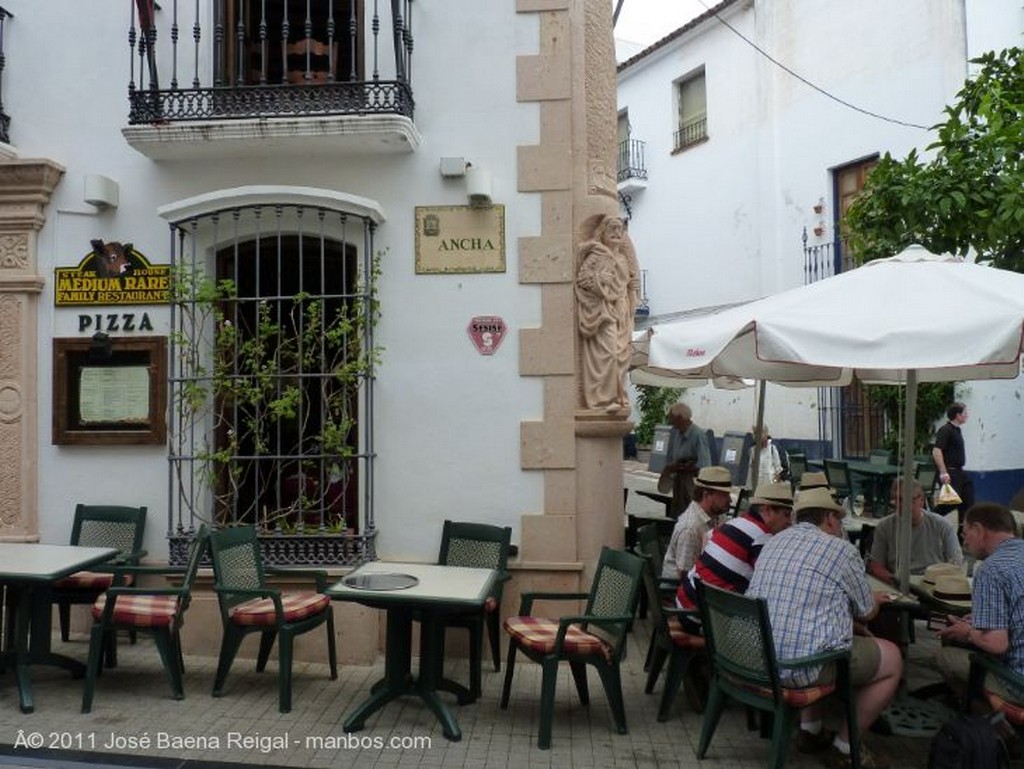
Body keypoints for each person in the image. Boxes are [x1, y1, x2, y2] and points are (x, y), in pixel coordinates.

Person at [747, 487, 902, 769]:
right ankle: (845, 747)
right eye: (840, 521)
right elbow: (866, 612)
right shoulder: (841, 550)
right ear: (829, 518)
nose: (840, 527)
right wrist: (875, 600)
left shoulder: (774, 541)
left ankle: (811, 731)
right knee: (891, 658)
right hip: (796, 667)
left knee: (811, 633)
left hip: (755, 658)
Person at [935, 502, 1024, 707]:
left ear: (979, 530)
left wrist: (967, 632)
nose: (964, 542)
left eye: (965, 533)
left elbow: (996, 643)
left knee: (944, 656)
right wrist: (977, 623)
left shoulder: (991, 569)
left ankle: (990, 725)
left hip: (1018, 684)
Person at [677, 481, 793, 619]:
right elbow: (772, 582)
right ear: (767, 510)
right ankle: (690, 640)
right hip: (701, 616)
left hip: (685, 601)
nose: (789, 522)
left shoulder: (736, 522)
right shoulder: (762, 537)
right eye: (786, 515)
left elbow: (707, 537)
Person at [574, 214, 639, 412]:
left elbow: (631, 285)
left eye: (619, 229)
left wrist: (631, 307)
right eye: (612, 228)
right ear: (602, 232)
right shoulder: (597, 255)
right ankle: (601, 400)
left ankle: (618, 396)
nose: (616, 232)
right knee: (608, 353)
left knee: (622, 356)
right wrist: (599, 279)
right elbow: (583, 280)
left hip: (622, 310)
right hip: (603, 310)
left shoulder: (623, 259)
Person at [867, 478, 963, 586]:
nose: (904, 505)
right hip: (897, 585)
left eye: (910, 499)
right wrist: (896, 583)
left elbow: (956, 564)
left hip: (933, 585)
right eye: (899, 499)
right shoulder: (884, 527)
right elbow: (876, 566)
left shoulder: (943, 526)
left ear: (922, 500)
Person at [661, 465, 732, 581]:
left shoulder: (714, 515)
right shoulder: (690, 528)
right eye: (724, 495)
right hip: (678, 588)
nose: (729, 500)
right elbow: (684, 574)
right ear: (706, 495)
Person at [658, 403, 712, 516]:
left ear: (680, 417)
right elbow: (673, 458)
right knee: (678, 514)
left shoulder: (698, 435)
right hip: (678, 482)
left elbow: (704, 467)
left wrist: (686, 467)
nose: (670, 421)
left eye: (671, 417)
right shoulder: (676, 433)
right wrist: (672, 467)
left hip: (692, 485)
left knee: (691, 515)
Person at [932, 401, 975, 527]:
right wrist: (943, 472)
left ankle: (962, 533)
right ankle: (928, 519)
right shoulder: (946, 430)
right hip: (950, 472)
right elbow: (936, 451)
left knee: (968, 502)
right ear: (958, 415)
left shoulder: (957, 431)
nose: (967, 415)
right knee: (951, 502)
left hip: (960, 472)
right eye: (965, 413)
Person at [747, 425, 784, 489]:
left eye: (759, 433)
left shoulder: (773, 449)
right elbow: (750, 471)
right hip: (756, 488)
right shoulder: (752, 450)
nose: (756, 436)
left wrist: (775, 485)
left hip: (770, 488)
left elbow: (778, 471)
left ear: (766, 434)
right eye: (755, 433)